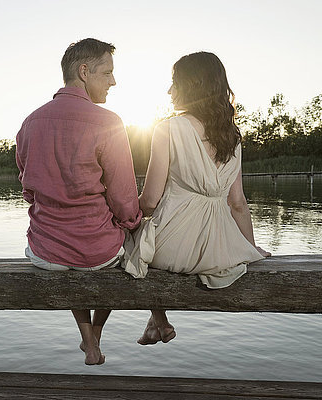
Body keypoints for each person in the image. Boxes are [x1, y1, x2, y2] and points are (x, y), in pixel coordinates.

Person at [127, 51, 271, 345]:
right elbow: (238, 203)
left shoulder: (167, 128)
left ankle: (159, 320)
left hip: (174, 248)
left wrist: (125, 208)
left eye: (174, 82)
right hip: (219, 249)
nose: (169, 90)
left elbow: (151, 200)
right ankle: (157, 323)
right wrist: (249, 247)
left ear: (191, 85)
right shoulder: (232, 136)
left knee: (130, 240)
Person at [16, 38, 142, 365]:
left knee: (68, 253)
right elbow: (124, 199)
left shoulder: (30, 122)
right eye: (107, 73)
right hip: (97, 252)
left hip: (46, 253)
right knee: (125, 244)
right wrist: (131, 225)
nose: (113, 81)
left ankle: (87, 338)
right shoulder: (108, 122)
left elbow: (28, 189)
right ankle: (95, 334)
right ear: (84, 72)